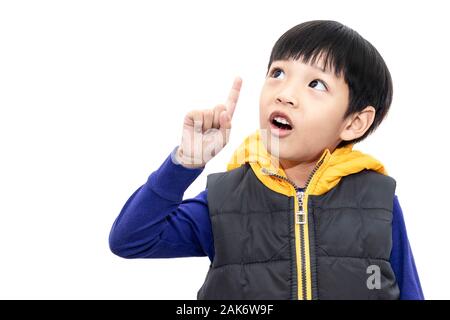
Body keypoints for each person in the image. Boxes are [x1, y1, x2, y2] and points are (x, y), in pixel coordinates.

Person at [109, 20, 424, 300]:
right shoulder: (225, 199)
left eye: (316, 83)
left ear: (354, 122)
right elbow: (131, 239)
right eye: (278, 73)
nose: (285, 93)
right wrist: (183, 164)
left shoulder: (377, 201)